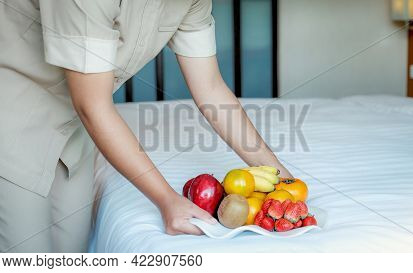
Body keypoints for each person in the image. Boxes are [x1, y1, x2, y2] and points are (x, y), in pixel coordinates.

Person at [0, 0, 292, 252]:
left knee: (72, 254)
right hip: (13, 114)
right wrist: (167, 200)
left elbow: (211, 88)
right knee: (27, 256)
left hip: (74, 128)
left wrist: (281, 177)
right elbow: (93, 106)